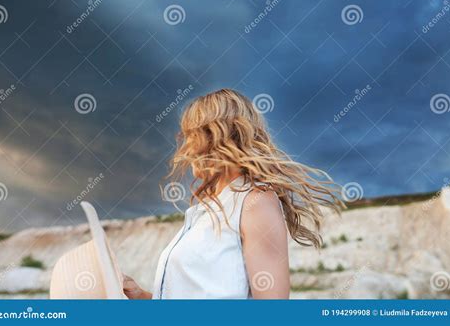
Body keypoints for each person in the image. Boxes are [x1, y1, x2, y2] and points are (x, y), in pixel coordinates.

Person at [123, 88, 343, 299]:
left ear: (217, 136)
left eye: (191, 135)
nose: (184, 146)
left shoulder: (255, 202)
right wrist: (140, 296)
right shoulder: (205, 212)